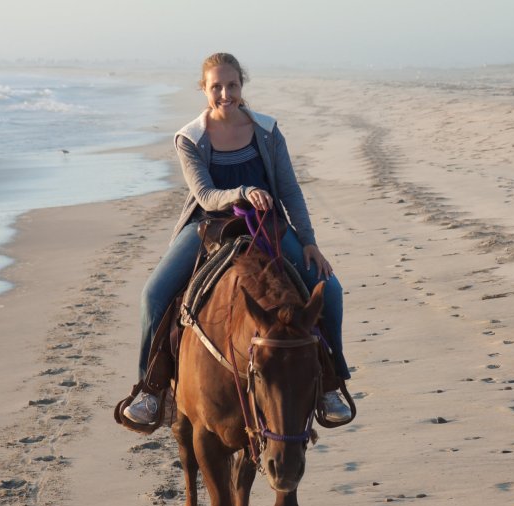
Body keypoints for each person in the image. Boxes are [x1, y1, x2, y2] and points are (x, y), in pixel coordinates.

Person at [123, 52, 351, 425]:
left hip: (267, 224)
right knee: (153, 293)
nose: (225, 94)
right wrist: (242, 192)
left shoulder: (267, 130)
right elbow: (207, 195)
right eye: (217, 87)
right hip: (209, 225)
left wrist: (308, 240)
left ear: (242, 86)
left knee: (331, 289)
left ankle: (331, 383)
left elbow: (290, 190)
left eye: (232, 85)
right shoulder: (189, 138)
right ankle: (151, 390)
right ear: (204, 89)